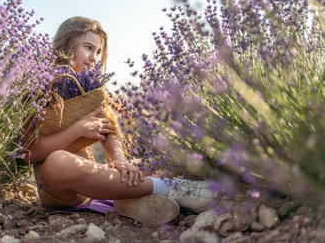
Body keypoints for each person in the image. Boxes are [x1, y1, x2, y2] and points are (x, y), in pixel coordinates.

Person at [22, 16, 216, 226]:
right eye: (88, 47)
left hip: (98, 174)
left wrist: (120, 161)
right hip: (59, 188)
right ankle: (171, 189)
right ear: (67, 44)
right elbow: (26, 154)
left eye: (98, 52)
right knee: (58, 161)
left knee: (171, 159)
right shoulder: (41, 87)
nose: (94, 58)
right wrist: (78, 129)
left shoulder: (90, 88)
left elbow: (109, 130)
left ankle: (127, 199)